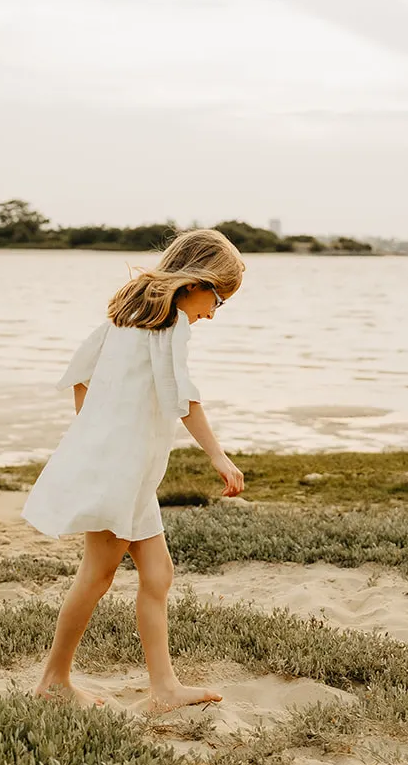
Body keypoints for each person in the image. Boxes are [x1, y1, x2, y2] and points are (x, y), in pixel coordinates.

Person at [22, 228, 246, 711]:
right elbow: (183, 398)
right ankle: (53, 680)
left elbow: (79, 378)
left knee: (158, 573)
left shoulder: (124, 321)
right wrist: (217, 456)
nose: (214, 311)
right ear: (194, 284)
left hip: (126, 468)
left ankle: (164, 688)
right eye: (218, 298)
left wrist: (96, 432)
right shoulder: (171, 328)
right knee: (97, 574)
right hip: (120, 472)